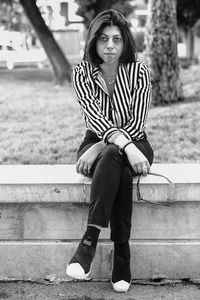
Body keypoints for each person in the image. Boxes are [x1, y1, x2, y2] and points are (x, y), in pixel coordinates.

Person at [66, 9, 154, 293]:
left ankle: (88, 242)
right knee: (119, 168)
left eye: (116, 39)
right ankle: (122, 255)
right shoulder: (82, 74)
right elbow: (95, 118)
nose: (110, 47)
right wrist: (112, 144)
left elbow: (137, 122)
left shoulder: (139, 71)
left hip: (136, 141)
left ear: (125, 40)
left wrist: (106, 146)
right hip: (101, 140)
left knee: (113, 155)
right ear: (93, 41)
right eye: (103, 39)